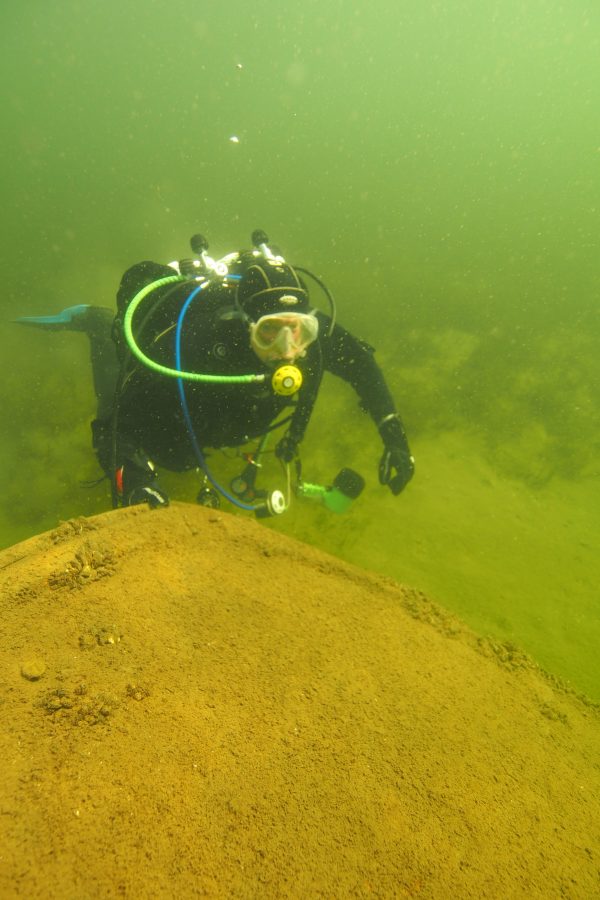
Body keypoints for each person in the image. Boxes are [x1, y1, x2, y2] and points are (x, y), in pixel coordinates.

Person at [16, 231, 414, 513]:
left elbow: (362, 365)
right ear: (245, 327)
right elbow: (113, 427)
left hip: (229, 423)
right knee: (166, 448)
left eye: (301, 331)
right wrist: (137, 482)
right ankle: (98, 325)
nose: (288, 350)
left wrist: (393, 436)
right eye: (269, 333)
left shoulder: (308, 336)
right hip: (180, 412)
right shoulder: (197, 343)